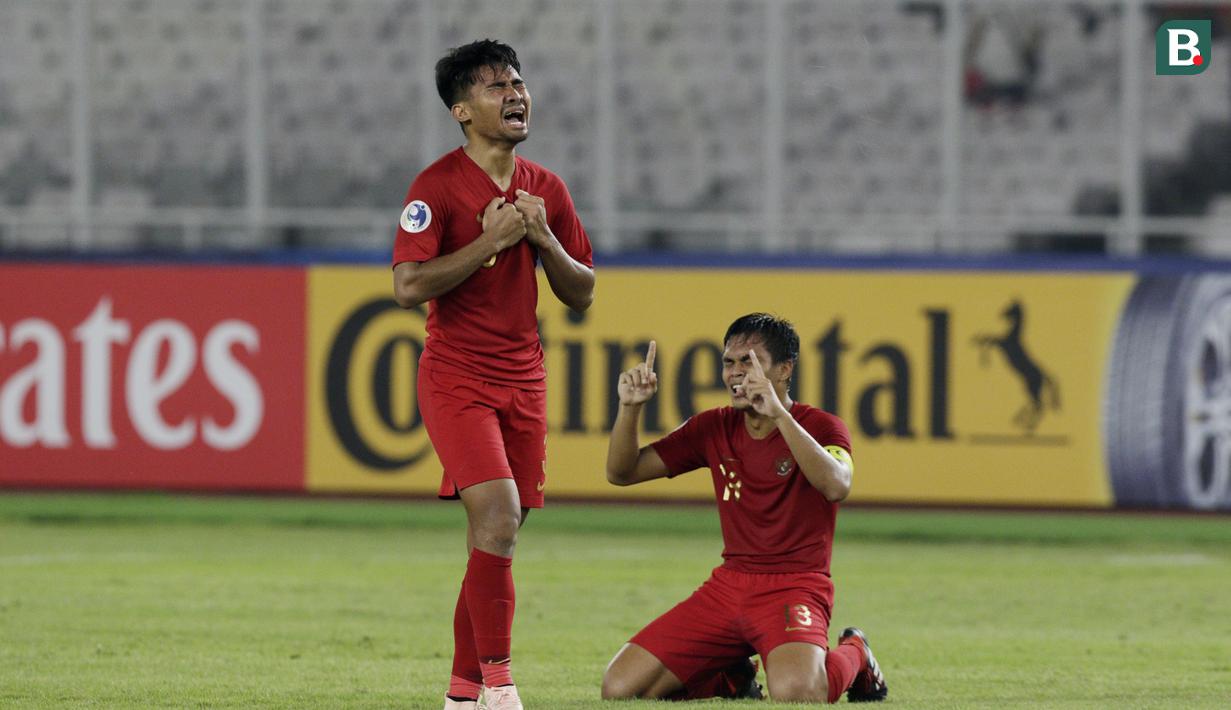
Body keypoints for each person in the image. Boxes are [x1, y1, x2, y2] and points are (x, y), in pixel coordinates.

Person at [392, 39, 595, 710]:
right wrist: (490, 243)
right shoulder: (434, 188)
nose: (512, 92)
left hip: (524, 378)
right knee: (500, 517)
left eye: (516, 80)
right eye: (491, 86)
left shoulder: (546, 190)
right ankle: (501, 687)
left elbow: (583, 291)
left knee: (495, 536)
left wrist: (543, 240)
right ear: (459, 110)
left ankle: (459, 694)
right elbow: (407, 285)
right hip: (456, 375)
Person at [601, 314, 888, 704]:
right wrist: (629, 409)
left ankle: (856, 652)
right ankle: (731, 678)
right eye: (728, 362)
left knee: (798, 694)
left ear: (784, 369)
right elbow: (623, 472)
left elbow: (836, 485)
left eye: (749, 362)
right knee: (619, 688)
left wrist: (779, 416)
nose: (735, 373)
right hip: (728, 587)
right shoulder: (713, 427)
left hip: (795, 586)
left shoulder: (822, 427)